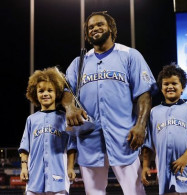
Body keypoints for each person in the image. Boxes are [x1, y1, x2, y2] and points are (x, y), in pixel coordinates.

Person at [61, 11, 156, 195]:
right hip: (89, 139)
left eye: (99, 24)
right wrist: (69, 106)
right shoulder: (79, 62)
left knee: (134, 191)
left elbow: (144, 94)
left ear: (111, 28)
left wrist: (141, 126)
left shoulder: (130, 55)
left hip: (124, 136)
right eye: (90, 27)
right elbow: (66, 91)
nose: (95, 28)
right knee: (94, 193)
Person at [141, 64, 187, 195]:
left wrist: (185, 157)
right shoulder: (154, 112)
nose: (170, 87)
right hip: (164, 169)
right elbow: (148, 144)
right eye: (166, 84)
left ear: (182, 88)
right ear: (161, 88)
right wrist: (145, 166)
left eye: (174, 83)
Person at [19, 67, 77, 195]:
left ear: (57, 94)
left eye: (50, 90)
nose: (45, 94)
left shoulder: (64, 118)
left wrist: (71, 167)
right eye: (41, 91)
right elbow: (24, 147)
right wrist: (24, 168)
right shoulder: (31, 119)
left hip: (59, 172)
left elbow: (72, 146)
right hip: (35, 174)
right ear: (35, 94)